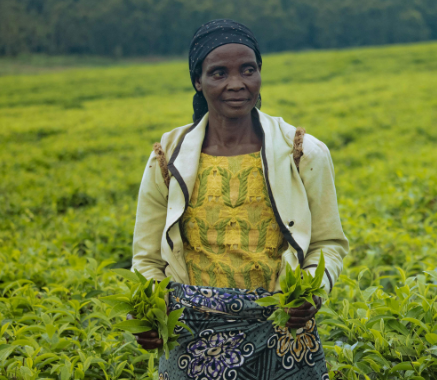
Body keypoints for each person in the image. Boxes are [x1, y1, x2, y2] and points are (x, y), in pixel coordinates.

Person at [129, 19, 349, 379]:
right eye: (219, 73)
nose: (237, 84)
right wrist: (150, 313)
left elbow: (328, 242)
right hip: (191, 334)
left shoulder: (303, 152)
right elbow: (147, 254)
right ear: (198, 82)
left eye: (248, 70)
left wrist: (309, 292)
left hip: (282, 330)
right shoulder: (167, 157)